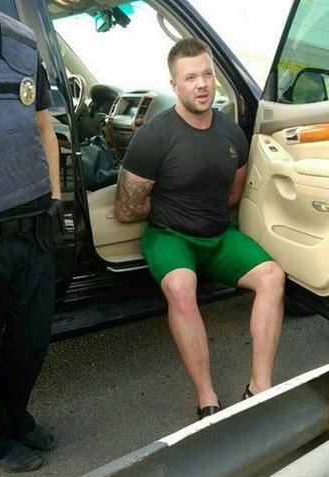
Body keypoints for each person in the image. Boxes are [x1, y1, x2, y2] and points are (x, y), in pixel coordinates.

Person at [114, 38, 285, 419]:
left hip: (217, 235)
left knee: (273, 276)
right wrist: (172, 209)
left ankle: (260, 387)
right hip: (170, 236)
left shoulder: (232, 134)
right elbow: (127, 210)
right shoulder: (153, 137)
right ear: (174, 85)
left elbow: (233, 193)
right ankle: (207, 399)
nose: (202, 84)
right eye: (191, 78)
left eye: (207, 74)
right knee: (180, 286)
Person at [0, 1, 62, 471]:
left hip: (31, 227)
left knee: (31, 338)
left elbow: (44, 126)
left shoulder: (20, 41)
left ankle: (16, 416)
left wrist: (55, 201)